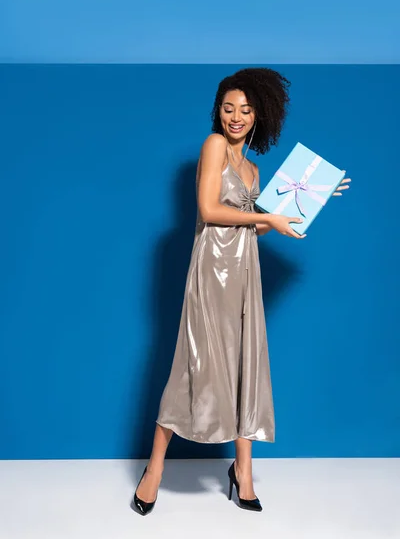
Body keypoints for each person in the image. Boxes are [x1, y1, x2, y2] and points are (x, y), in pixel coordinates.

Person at [133, 67, 351, 515]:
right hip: (210, 272)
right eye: (229, 108)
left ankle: (243, 472)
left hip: (244, 273)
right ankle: (153, 471)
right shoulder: (213, 146)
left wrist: (315, 196)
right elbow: (210, 210)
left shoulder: (252, 168)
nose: (236, 117)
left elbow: (259, 228)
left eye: (246, 110)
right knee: (192, 367)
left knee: (243, 366)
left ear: (259, 116)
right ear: (219, 111)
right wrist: (264, 218)